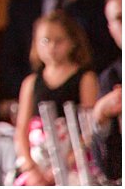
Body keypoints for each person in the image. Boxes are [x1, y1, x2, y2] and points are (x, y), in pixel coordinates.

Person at [13, 10, 98, 184]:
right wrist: (30, 167)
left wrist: (64, 164)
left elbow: (90, 128)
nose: (51, 47)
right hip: (38, 163)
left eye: (59, 41)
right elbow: (21, 129)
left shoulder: (85, 78)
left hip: (75, 161)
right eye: (45, 41)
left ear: (73, 42)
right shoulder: (30, 83)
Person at [92, 0, 122, 181]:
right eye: (119, 19)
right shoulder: (111, 77)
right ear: (111, 29)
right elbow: (110, 169)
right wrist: (100, 117)